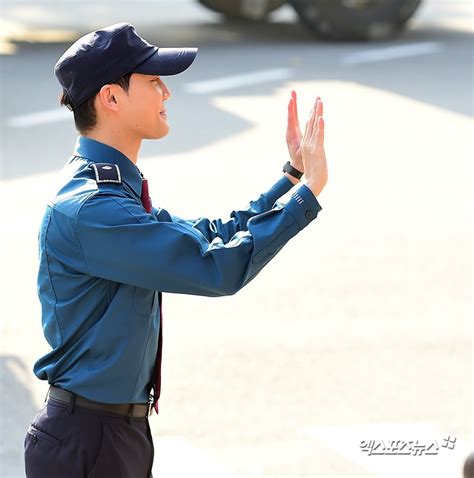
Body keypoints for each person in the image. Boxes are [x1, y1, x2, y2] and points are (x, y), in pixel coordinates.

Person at [23, 22, 328, 478]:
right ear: (111, 98)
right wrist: (310, 195)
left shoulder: (111, 190)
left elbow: (206, 235)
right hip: (89, 439)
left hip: (112, 432)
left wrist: (290, 179)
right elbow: (218, 268)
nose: (166, 93)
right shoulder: (93, 208)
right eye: (153, 81)